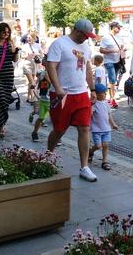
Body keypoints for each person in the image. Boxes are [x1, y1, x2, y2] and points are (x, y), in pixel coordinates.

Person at [45, 18, 98, 182]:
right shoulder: (59, 44)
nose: (87, 38)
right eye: (85, 35)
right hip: (62, 95)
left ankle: (84, 167)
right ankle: (49, 155)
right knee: (60, 129)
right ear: (77, 31)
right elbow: (50, 66)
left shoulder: (85, 46)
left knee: (84, 128)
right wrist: (58, 87)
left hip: (81, 93)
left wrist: (93, 88)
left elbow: (87, 67)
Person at [88, 83, 119, 171]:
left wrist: (113, 124)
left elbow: (109, 115)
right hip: (96, 129)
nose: (105, 94)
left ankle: (105, 161)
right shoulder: (94, 104)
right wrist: (90, 104)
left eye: (105, 93)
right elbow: (89, 115)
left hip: (106, 129)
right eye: (103, 93)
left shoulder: (106, 103)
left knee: (105, 145)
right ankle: (90, 152)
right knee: (98, 146)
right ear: (97, 94)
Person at [99, 21, 125, 109]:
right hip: (109, 61)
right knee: (112, 79)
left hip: (118, 61)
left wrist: (123, 50)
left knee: (114, 80)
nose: (120, 29)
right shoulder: (106, 37)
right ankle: (112, 99)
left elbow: (121, 47)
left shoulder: (119, 37)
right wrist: (112, 51)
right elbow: (101, 50)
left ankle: (111, 97)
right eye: (118, 27)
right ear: (113, 27)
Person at [30, 66, 51, 142]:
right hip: (43, 100)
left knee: (56, 120)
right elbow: (35, 84)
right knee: (41, 118)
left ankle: (57, 138)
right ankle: (34, 133)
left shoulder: (57, 73)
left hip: (53, 101)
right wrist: (35, 92)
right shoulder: (42, 74)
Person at [21, 32, 44, 103]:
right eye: (27, 38)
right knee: (32, 82)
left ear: (34, 38)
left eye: (29, 37)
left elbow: (42, 54)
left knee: (31, 83)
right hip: (27, 65)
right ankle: (33, 98)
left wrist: (36, 54)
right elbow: (22, 56)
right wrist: (28, 56)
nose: (28, 39)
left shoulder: (38, 45)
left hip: (35, 65)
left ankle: (28, 97)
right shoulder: (24, 46)